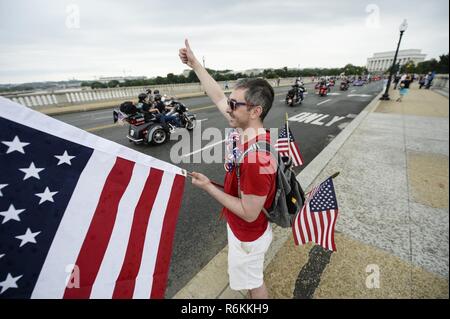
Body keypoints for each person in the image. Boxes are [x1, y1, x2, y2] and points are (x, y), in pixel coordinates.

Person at [179, 39, 276, 299]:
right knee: (249, 280)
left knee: (254, 283)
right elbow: (218, 95)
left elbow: (248, 212)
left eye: (235, 104)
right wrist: (196, 64)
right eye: (231, 102)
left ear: (255, 111)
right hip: (240, 230)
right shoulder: (245, 127)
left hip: (248, 235)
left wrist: (208, 186)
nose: (227, 107)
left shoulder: (257, 158)